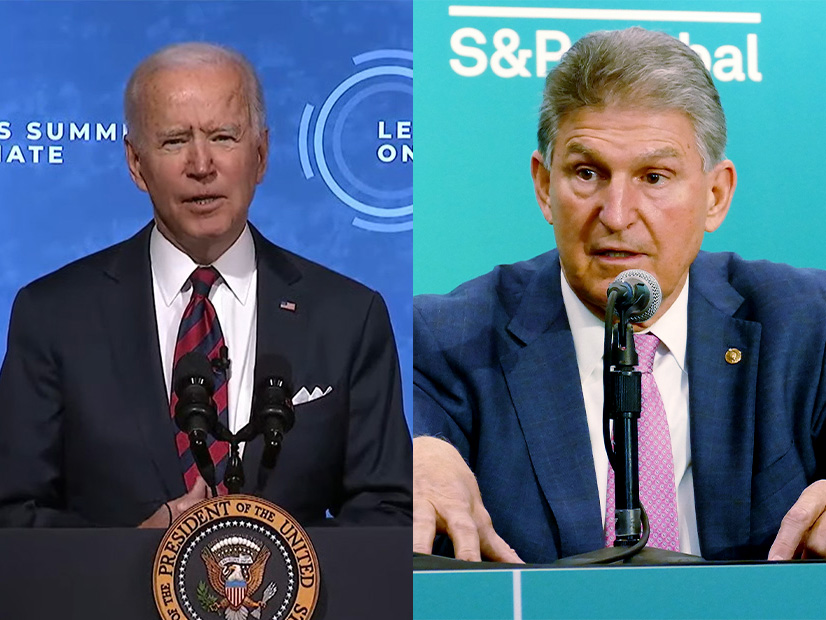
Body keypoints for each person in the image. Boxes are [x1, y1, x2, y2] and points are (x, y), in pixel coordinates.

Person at [412, 27, 826, 564]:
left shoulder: (806, 325)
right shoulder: (449, 340)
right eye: (588, 173)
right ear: (544, 186)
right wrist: (416, 455)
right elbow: (392, 427)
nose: (616, 214)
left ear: (716, 196)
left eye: (654, 177)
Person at [0, 42, 412, 528]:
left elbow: (386, 509)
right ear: (136, 163)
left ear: (260, 155)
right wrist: (128, 552)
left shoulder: (347, 316)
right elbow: (13, 512)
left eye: (223, 137)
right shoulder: (53, 315)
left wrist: (286, 573)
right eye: (175, 140)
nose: (201, 165)